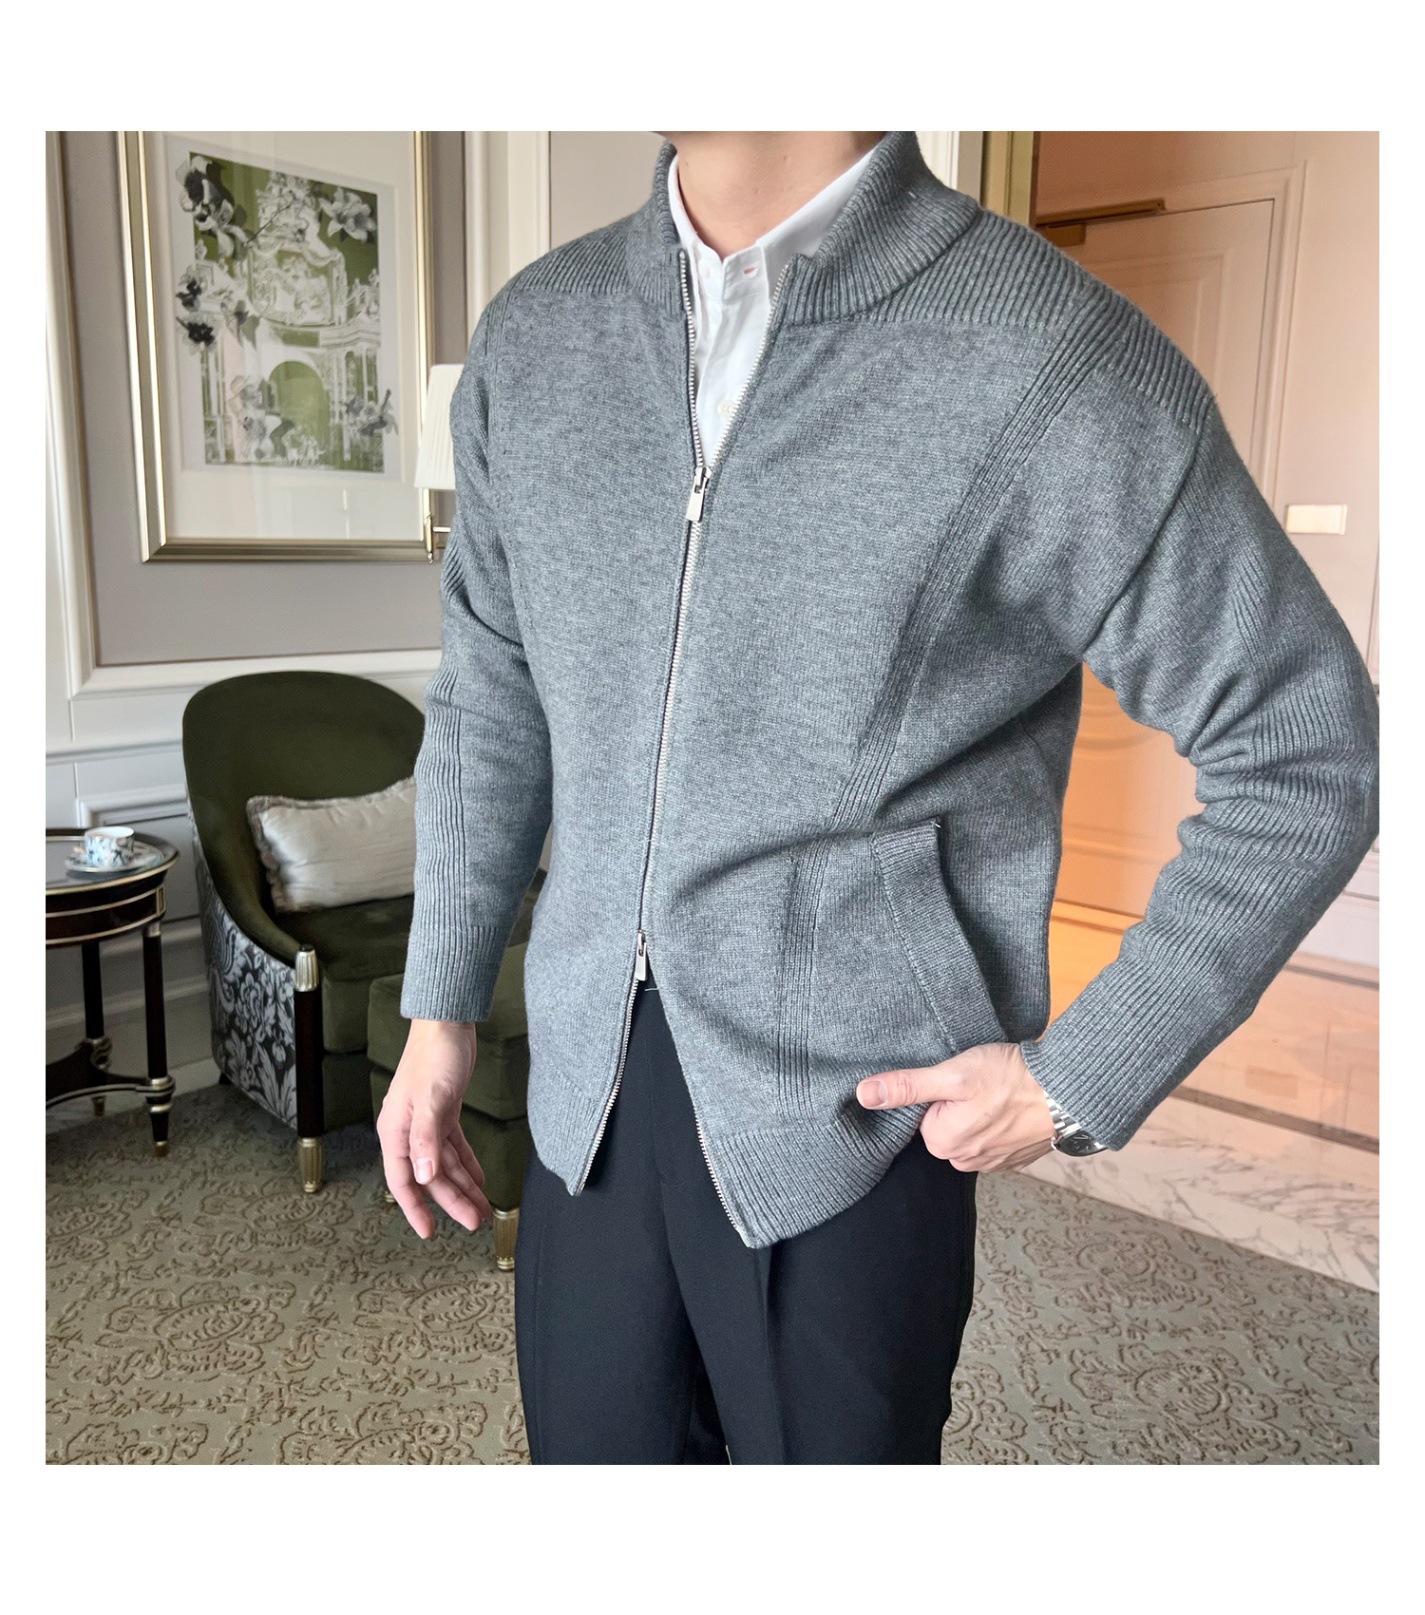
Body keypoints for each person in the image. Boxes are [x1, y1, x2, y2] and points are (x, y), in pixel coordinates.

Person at [376, 131, 1379, 1463]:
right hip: (582, 1100)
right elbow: (489, 696)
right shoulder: (537, 337)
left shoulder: (1048, 356)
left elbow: (1305, 751)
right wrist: (441, 1009)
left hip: (856, 1120)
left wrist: (1081, 1074)